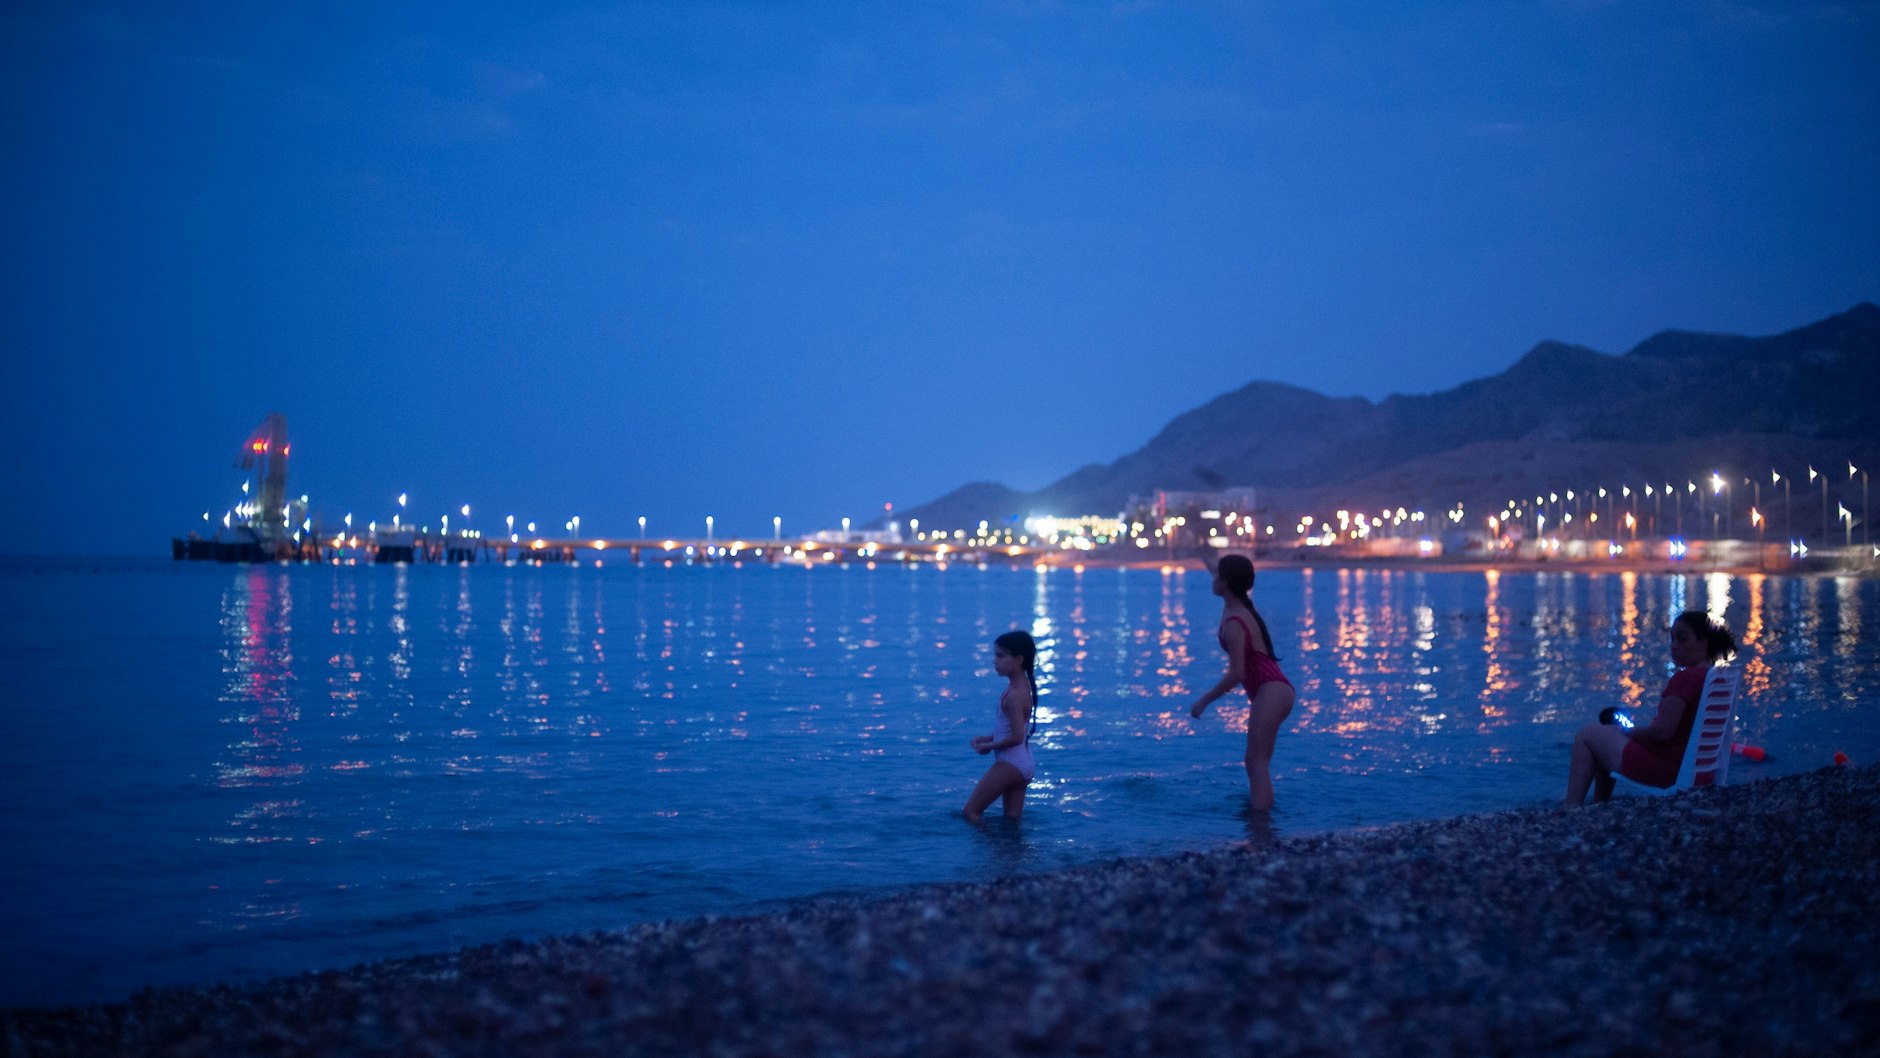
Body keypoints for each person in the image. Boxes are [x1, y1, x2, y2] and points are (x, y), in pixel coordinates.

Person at [1564, 610, 1737, 805]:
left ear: (1704, 643)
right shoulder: (1718, 679)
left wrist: (1631, 733)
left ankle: (1571, 807)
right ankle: (1599, 804)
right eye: (1672, 639)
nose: (1674, 646)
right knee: (1606, 734)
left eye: (1682, 639)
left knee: (1587, 735)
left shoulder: (1687, 678)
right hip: (1700, 772)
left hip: (1668, 771)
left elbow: (1663, 732)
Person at [1189, 554, 1295, 811]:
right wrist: (1200, 551)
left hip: (1270, 690)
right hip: (1277, 690)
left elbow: (1237, 673)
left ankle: (1260, 823)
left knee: (1254, 761)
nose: (1212, 578)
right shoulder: (1237, 603)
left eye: (1217, 575)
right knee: (1259, 761)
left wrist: (1204, 701)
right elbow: (1220, 571)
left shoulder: (1234, 622)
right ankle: (1263, 818)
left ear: (1225, 583)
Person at [964, 630, 1038, 824]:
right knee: (1011, 822)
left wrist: (989, 746)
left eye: (1000, 656)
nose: (994, 661)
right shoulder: (1020, 688)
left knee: (970, 812)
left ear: (1019, 659)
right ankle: (1009, 845)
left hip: (1010, 764)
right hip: (1023, 764)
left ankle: (987, 842)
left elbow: (1017, 737)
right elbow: (1012, 728)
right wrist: (988, 738)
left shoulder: (1014, 695)